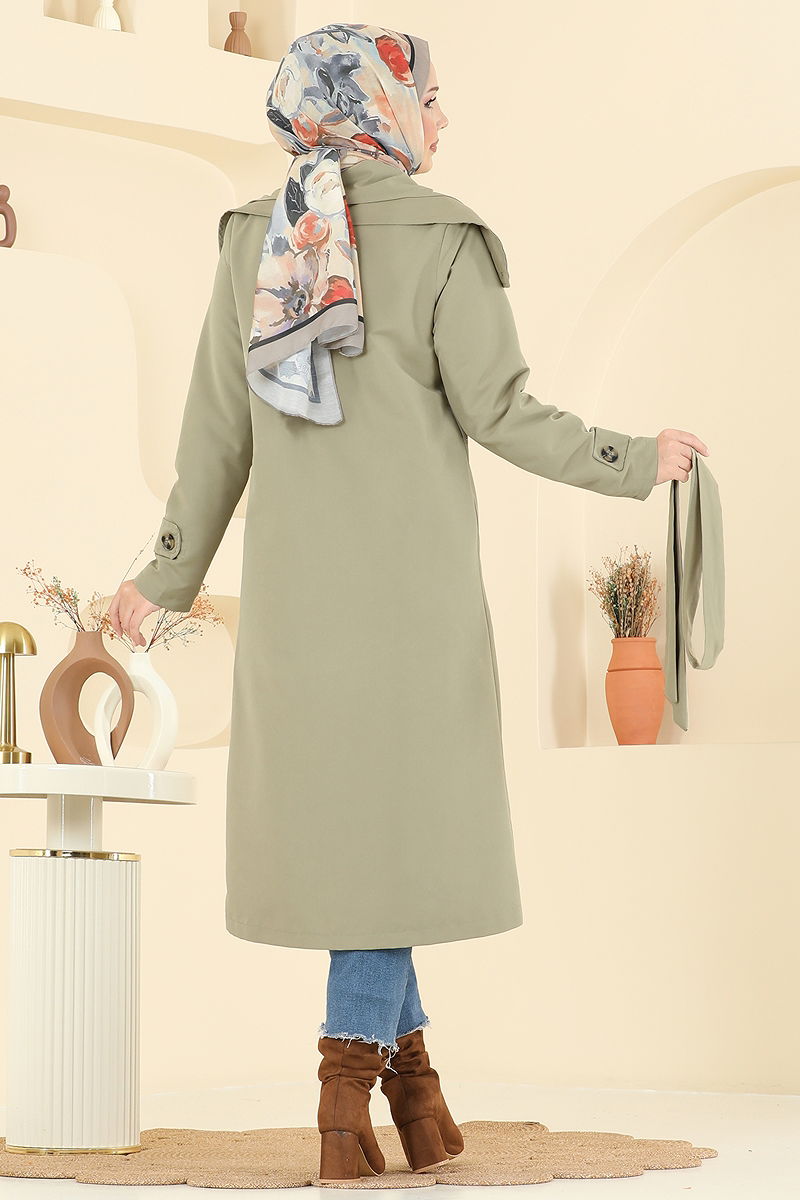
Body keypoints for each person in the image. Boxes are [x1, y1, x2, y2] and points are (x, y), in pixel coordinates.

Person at [108, 23, 709, 1184]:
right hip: (412, 612)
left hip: (295, 616)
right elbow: (504, 413)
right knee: (389, 854)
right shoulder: (445, 241)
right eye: (429, 97)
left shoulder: (252, 240)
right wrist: (635, 460)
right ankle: (342, 1100)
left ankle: (417, 1098)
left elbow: (214, 442)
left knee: (363, 851)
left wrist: (162, 576)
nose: (442, 117)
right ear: (378, 106)